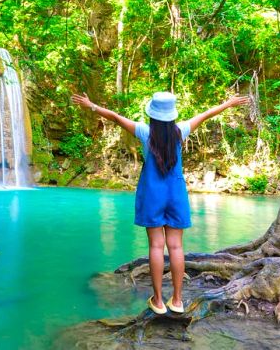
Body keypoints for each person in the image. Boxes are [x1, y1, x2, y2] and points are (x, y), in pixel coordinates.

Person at [71, 91, 250, 314]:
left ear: (153, 115)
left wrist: (92, 106)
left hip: (152, 193)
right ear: (172, 115)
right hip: (175, 193)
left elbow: (116, 117)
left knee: (156, 246)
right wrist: (229, 103)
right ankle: (177, 300)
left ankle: (157, 301)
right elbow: (205, 114)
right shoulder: (180, 131)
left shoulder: (145, 132)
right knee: (176, 246)